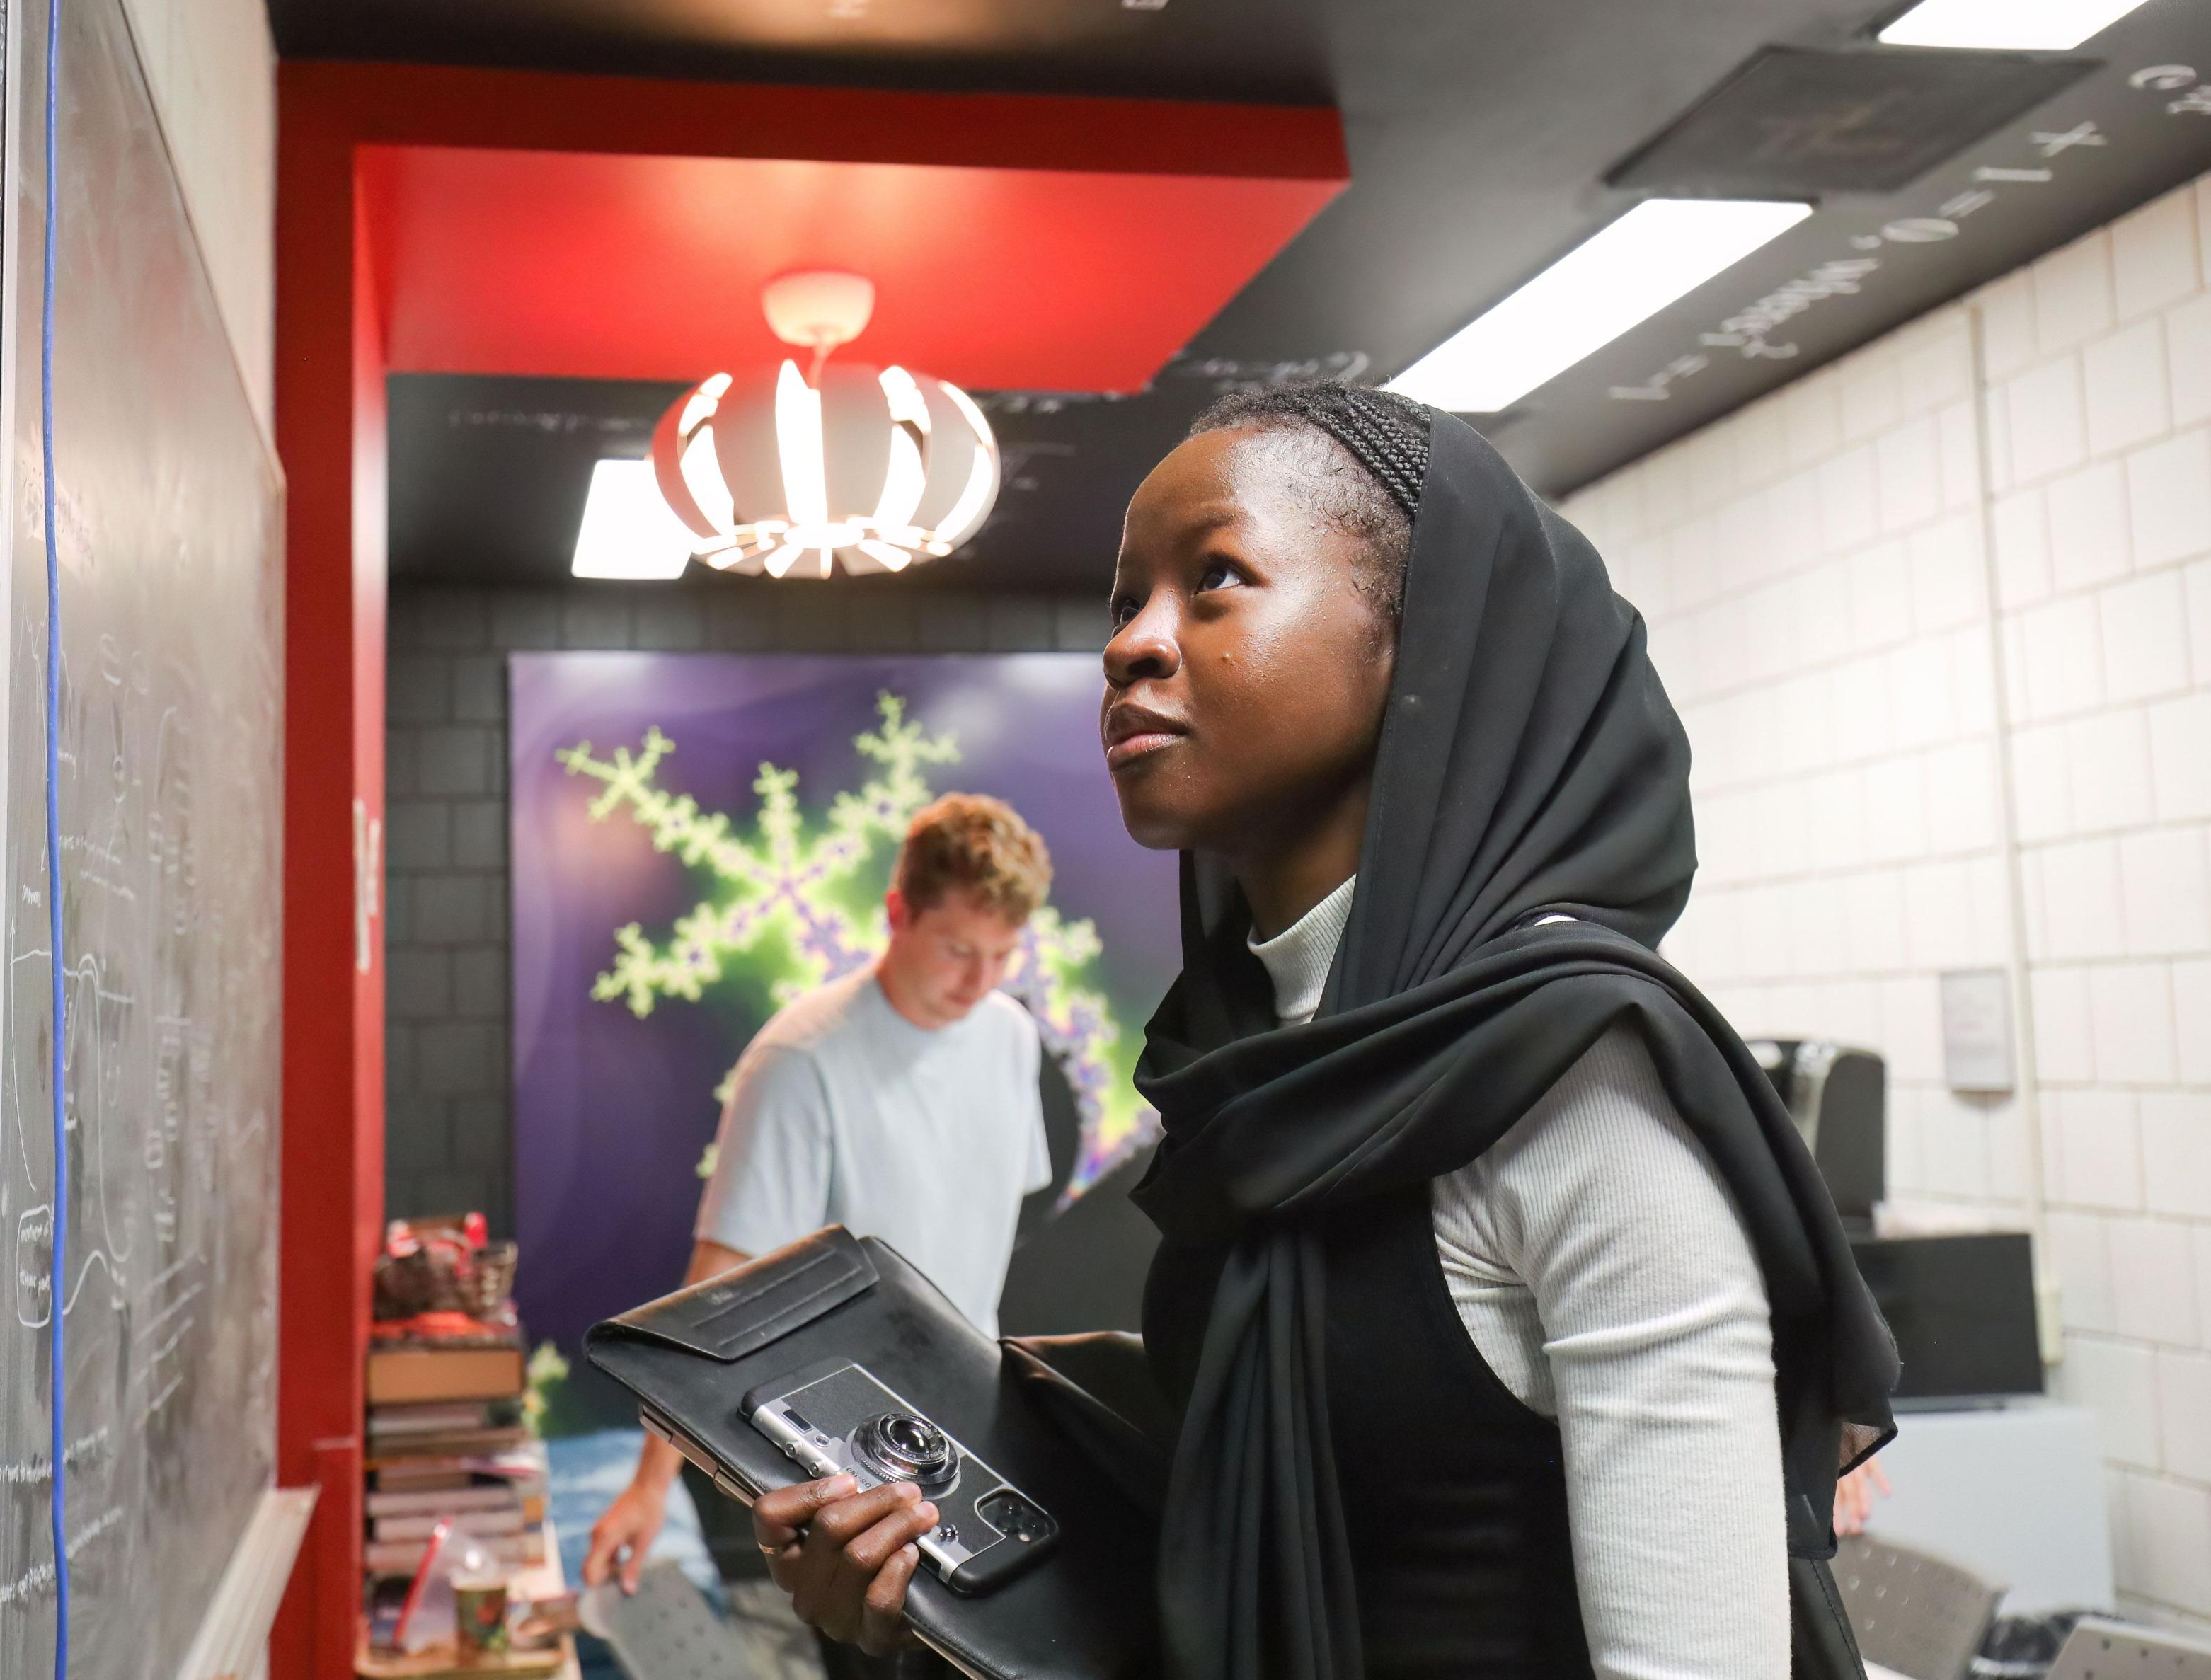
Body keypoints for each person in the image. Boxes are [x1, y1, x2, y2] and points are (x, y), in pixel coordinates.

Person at [748, 385, 1898, 1679]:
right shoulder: (1259, 1076)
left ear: (1415, 644)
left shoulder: (1575, 1088)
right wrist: (914, 1613)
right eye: (1128, 601)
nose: (1132, 645)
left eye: (1216, 580)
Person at [583, 793, 1059, 1610]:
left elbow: (975, 1222)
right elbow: (722, 1280)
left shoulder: (1009, 1035)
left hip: (965, 1430)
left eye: (1003, 955)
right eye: (956, 949)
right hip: (830, 1451)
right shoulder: (800, 1059)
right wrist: (650, 1486)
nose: (979, 981)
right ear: (896, 911)